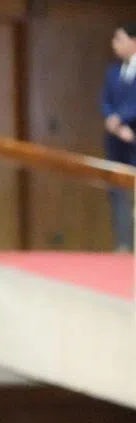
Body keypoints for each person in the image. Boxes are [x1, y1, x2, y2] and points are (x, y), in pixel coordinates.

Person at [102, 23, 136, 252]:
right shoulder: (113, 71)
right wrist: (112, 122)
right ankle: (123, 244)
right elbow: (104, 100)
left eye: (119, 39)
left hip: (133, 137)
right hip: (116, 141)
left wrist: (122, 119)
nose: (115, 44)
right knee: (117, 193)